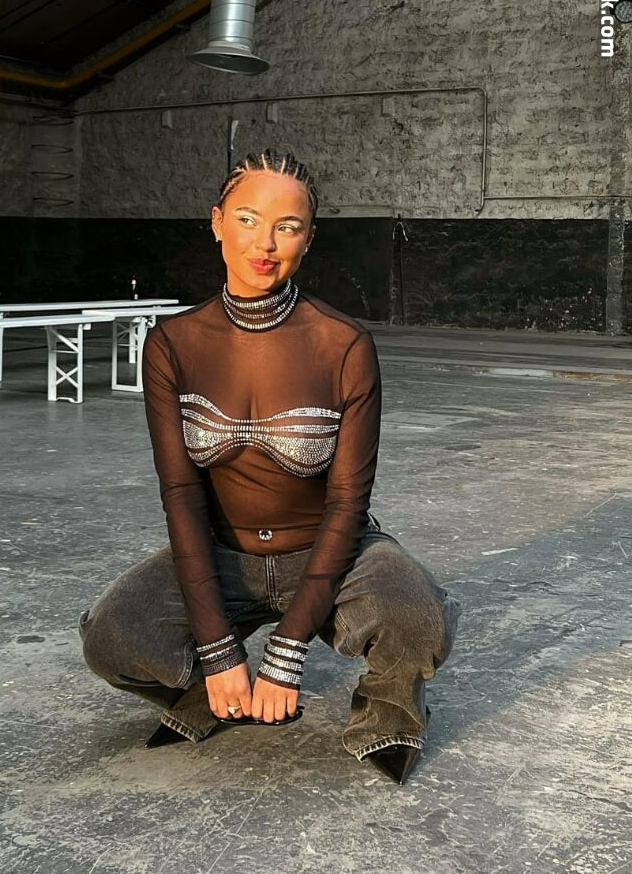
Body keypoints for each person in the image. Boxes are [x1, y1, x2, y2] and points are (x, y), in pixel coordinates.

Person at [79, 150, 460, 784]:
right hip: (221, 553)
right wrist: (217, 648)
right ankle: (204, 693)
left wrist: (285, 653)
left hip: (331, 550)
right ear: (217, 222)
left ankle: (389, 713)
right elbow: (181, 494)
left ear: (308, 239)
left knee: (417, 616)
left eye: (287, 227)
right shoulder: (173, 343)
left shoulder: (343, 345)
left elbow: (348, 504)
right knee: (111, 634)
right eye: (248, 219)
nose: (265, 243)